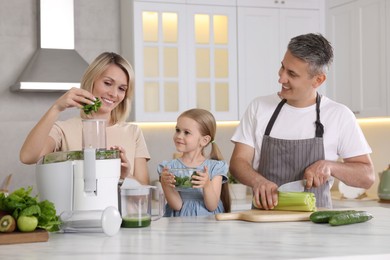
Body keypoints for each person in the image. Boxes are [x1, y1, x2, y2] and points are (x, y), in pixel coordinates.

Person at [229, 33, 375, 209]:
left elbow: (367, 177)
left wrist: (330, 166)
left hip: (316, 225)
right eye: (282, 67)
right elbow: (238, 162)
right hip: (264, 222)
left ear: (318, 80)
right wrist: (257, 181)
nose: (281, 78)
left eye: (292, 74)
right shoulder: (259, 107)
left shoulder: (339, 115)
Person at [19, 52, 150, 184]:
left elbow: (144, 190)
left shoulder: (133, 132)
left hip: (121, 205)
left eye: (122, 88)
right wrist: (56, 107)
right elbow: (27, 157)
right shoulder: (63, 130)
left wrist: (124, 176)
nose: (113, 94)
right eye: (107, 83)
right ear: (91, 81)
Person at [158, 108, 230, 216]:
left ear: (204, 140)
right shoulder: (169, 168)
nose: (179, 136)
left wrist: (207, 185)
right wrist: (165, 184)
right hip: (179, 223)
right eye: (177, 130)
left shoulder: (215, 167)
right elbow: (177, 205)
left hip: (207, 224)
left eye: (186, 132)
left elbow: (212, 206)